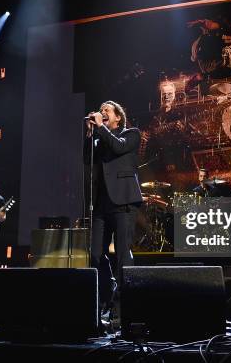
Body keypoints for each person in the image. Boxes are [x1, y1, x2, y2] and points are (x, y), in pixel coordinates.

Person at [84, 101, 143, 317]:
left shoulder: (131, 134)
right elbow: (86, 159)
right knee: (95, 255)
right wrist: (90, 134)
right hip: (102, 204)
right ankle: (106, 297)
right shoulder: (100, 139)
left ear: (118, 117)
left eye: (106, 110)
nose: (101, 113)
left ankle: (121, 307)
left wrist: (100, 128)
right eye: (99, 110)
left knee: (121, 253)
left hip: (124, 201)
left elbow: (118, 147)